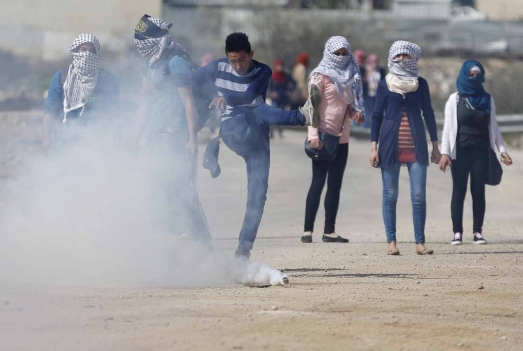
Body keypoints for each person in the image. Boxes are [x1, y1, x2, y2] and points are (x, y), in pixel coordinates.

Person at [177, 32, 321, 259]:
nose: (237, 66)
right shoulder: (218, 67)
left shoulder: (262, 71)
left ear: (251, 55)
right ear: (226, 57)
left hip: (258, 138)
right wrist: (212, 93)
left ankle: (243, 252)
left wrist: (227, 98)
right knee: (260, 110)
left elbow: (250, 94)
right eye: (232, 60)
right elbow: (189, 79)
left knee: (258, 195)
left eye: (242, 60)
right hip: (234, 129)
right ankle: (302, 117)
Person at [131, 14, 211, 244]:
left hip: (175, 133)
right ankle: (176, 236)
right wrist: (135, 137)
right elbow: (144, 103)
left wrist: (193, 139)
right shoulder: (150, 66)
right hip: (157, 133)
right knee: (161, 185)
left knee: (175, 184)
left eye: (142, 39)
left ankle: (195, 238)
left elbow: (188, 103)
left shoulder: (176, 62)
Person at [369, 41, 441, 256]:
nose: (402, 60)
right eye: (398, 56)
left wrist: (435, 146)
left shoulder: (421, 84)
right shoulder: (385, 84)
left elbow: (428, 113)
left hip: (416, 146)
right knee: (390, 195)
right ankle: (391, 241)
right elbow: (376, 116)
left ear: (413, 59)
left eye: (406, 56)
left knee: (418, 195)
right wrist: (374, 147)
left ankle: (420, 242)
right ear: (392, 58)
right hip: (390, 147)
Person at [439, 60, 513, 246]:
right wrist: (445, 153)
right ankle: (457, 232)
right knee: (459, 190)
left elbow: (493, 126)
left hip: (481, 151)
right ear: (464, 75)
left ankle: (477, 232)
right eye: (471, 74)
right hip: (460, 152)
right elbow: (448, 128)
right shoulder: (454, 100)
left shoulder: (487, 99)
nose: (474, 78)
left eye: (477, 74)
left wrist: (502, 150)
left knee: (478, 190)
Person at [301, 36, 365, 244]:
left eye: (344, 53)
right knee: (318, 183)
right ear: (329, 53)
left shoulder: (351, 75)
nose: (340, 57)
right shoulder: (320, 76)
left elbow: (348, 105)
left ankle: (329, 230)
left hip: (341, 138)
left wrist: (355, 112)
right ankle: (307, 230)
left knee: (335, 184)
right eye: (336, 53)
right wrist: (313, 136)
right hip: (322, 136)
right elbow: (312, 107)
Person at [42, 33, 118, 153]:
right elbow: (50, 109)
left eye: (92, 50)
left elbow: (115, 113)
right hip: (64, 140)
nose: (87, 54)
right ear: (76, 50)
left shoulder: (107, 79)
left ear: (97, 54)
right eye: (83, 49)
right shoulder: (62, 77)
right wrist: (47, 139)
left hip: (97, 142)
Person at [268, 59, 296, 138]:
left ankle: (280, 131)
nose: (280, 67)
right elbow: (269, 87)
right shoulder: (272, 76)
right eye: (278, 66)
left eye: (281, 66)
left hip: (283, 98)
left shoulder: (286, 76)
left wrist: (289, 91)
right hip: (275, 99)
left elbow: (294, 83)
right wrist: (272, 93)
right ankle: (272, 132)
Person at [363, 54, 385, 128]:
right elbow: (362, 81)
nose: (375, 63)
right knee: (366, 112)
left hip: (377, 95)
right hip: (366, 95)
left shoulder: (381, 71)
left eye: (376, 61)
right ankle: (364, 129)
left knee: (376, 112)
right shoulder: (365, 69)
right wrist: (369, 71)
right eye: (373, 61)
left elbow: (383, 82)